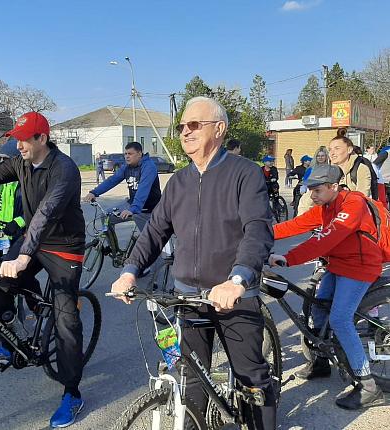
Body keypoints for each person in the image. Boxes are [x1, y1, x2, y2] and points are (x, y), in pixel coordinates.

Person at [111, 96, 276, 429]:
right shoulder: (179, 181)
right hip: (189, 297)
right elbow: (155, 231)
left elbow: (257, 229)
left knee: (252, 378)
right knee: (192, 379)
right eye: (182, 126)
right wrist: (130, 272)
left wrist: (238, 279)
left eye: (194, 124)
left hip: (234, 296)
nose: (185, 131)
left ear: (219, 128)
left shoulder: (245, 173)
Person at [0, 110, 86, 428]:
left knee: (66, 322)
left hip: (63, 247)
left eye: (23, 140)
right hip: (34, 240)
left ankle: (72, 393)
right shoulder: (21, 163)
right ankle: (6, 346)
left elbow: (46, 214)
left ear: (42, 138)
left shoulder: (65, 169)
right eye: (15, 140)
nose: (18, 146)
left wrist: (22, 257)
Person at [269, 164, 385, 410]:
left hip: (360, 267)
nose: (312, 195)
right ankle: (321, 362)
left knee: (340, 319)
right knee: (317, 309)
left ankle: (369, 386)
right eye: (310, 189)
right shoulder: (326, 207)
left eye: (317, 190)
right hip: (338, 264)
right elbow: (295, 225)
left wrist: (289, 258)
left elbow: (326, 238)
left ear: (334, 187)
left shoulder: (353, 204)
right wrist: (256, 233)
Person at [83, 141, 161, 233]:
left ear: (139, 154)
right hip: (133, 204)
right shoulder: (127, 167)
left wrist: (133, 209)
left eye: (130, 154)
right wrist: (94, 192)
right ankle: (112, 246)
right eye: (126, 154)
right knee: (106, 217)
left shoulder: (148, 166)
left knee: (148, 240)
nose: (127, 156)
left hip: (150, 209)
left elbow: (143, 189)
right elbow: (112, 180)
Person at [296, 146, 330, 215]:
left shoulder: (330, 168)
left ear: (326, 157)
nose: (320, 158)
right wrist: (303, 187)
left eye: (322, 156)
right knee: (305, 209)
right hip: (312, 192)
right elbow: (305, 180)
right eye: (318, 156)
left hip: (326, 193)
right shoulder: (311, 169)